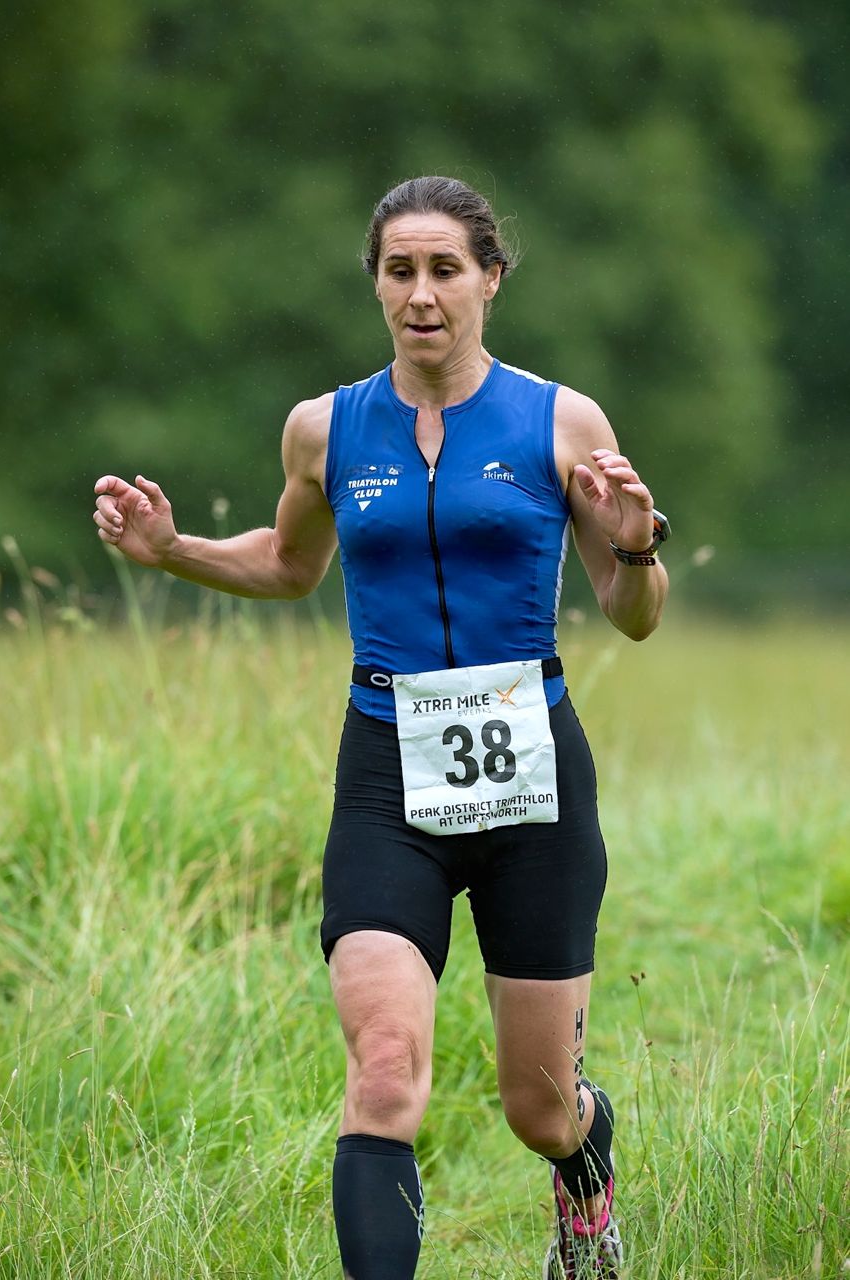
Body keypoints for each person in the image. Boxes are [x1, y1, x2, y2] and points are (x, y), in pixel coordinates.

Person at [93, 175, 668, 1280]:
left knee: (539, 1107)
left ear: (491, 279)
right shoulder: (326, 425)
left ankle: (585, 1192)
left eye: (445, 268)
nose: (421, 293)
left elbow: (632, 616)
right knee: (386, 1067)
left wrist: (636, 547)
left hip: (532, 777)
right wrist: (172, 550)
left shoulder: (562, 419)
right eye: (399, 270)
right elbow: (290, 561)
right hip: (386, 776)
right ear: (376, 283)